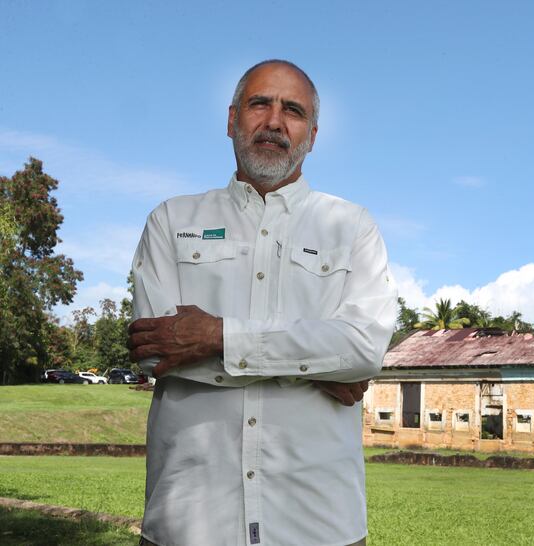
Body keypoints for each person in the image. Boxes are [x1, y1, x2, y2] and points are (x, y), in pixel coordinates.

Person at [127, 59, 397, 546]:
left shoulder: (354, 227)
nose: (274, 121)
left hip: (319, 521)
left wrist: (216, 336)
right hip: (189, 518)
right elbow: (155, 351)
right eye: (260, 104)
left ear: (311, 135)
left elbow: (363, 350)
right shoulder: (172, 219)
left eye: (292, 110)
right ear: (232, 120)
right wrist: (315, 363)